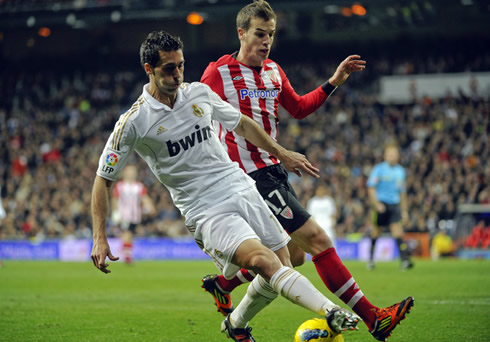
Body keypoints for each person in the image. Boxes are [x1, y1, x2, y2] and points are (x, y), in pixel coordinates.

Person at [90, 30, 360, 342]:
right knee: (263, 261)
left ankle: (236, 324)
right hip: (204, 209)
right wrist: (99, 237)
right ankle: (331, 312)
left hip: (240, 186)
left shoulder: (198, 94)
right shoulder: (134, 122)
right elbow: (103, 179)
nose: (177, 74)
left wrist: (281, 153)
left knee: (282, 266)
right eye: (169, 68)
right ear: (148, 69)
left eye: (180, 65)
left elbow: (242, 124)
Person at [199, 1, 413, 341]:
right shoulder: (218, 73)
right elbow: (194, 111)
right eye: (259, 33)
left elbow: (298, 108)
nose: (266, 40)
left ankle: (223, 286)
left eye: (271, 34)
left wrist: (333, 82)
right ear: (241, 33)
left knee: (294, 255)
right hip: (250, 177)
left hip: (274, 172)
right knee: (317, 240)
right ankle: (374, 318)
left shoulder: (273, 71)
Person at [367, 143, 414, 270]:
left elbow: (402, 193)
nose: (392, 156)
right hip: (381, 204)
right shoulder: (379, 169)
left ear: (398, 156)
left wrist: (404, 211)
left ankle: (404, 260)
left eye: (394, 154)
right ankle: (370, 260)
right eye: (390, 154)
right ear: (385, 155)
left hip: (394, 205)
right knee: (376, 232)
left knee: (398, 232)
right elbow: (371, 188)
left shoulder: (400, 171)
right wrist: (376, 204)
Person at [111, 164, 156, 264]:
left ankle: (126, 253)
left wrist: (150, 207)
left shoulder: (139, 186)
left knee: (130, 234)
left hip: (135, 216)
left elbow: (145, 198)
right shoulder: (120, 186)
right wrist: (116, 212)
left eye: (133, 171)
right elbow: (115, 199)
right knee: (127, 233)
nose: (131, 174)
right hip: (124, 215)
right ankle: (127, 257)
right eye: (129, 171)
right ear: (125, 173)